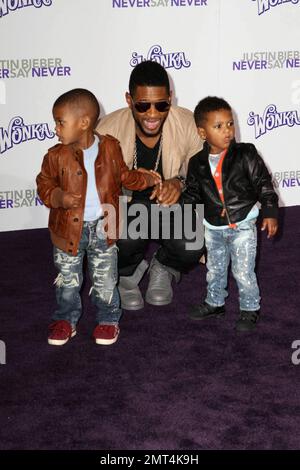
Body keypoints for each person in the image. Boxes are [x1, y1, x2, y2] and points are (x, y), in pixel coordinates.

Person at [36, 88, 161, 346]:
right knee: (68, 281)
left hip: (105, 227)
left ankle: (108, 319)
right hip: (68, 230)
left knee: (105, 279)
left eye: (60, 122)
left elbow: (125, 177)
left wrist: (147, 178)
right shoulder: (55, 155)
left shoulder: (110, 147)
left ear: (83, 123)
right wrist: (60, 197)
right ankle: (65, 319)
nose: (56, 129)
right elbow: (44, 185)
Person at [97, 60, 204, 310]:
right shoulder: (106, 131)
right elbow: (93, 189)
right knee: (113, 230)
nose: (153, 114)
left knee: (194, 240)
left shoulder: (188, 123)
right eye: (143, 105)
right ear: (129, 100)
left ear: (170, 98)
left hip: (171, 209)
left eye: (161, 104)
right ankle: (126, 274)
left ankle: (164, 266)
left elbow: (206, 177)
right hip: (128, 210)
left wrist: (179, 183)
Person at [184, 96, 278, 332]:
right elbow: (193, 195)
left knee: (243, 270)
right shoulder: (197, 163)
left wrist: (270, 211)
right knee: (214, 268)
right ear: (202, 133)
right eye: (218, 126)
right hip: (212, 227)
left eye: (230, 124)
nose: (227, 131)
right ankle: (215, 303)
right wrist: (186, 217)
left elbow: (264, 183)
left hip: (242, 224)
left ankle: (249, 308)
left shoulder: (245, 153)